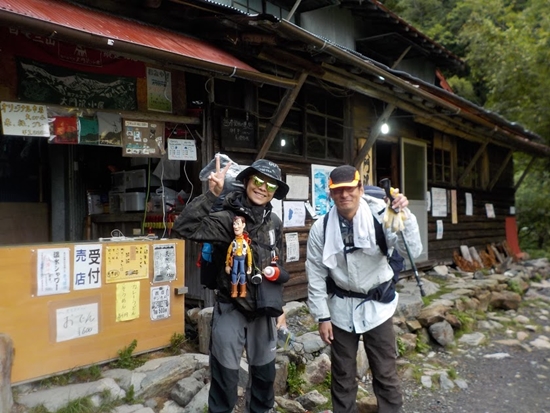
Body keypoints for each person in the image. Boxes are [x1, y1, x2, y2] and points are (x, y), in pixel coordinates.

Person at [173, 156, 290, 413]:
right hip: (231, 307)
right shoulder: (228, 218)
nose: (262, 188)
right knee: (225, 379)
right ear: (247, 181)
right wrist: (211, 197)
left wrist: (280, 307)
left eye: (270, 185)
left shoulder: (274, 223)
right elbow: (184, 227)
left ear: (274, 192)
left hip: (264, 312)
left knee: (263, 377)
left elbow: (279, 263)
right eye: (258, 181)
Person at [306, 165, 422, 413]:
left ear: (360, 188)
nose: (344, 195)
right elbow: (315, 273)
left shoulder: (382, 215)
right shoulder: (322, 227)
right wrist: (322, 316)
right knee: (342, 375)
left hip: (377, 306)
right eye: (338, 191)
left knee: (385, 372)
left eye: (350, 188)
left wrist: (405, 216)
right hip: (339, 308)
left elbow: (411, 250)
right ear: (330, 193)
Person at [225, 216, 252, 298]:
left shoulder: (245, 242)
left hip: (242, 259)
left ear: (243, 225)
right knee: (234, 272)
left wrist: (250, 265)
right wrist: (227, 265)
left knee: (242, 273)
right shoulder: (233, 242)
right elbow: (228, 252)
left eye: (238, 224)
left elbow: (249, 253)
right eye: (234, 224)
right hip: (235, 259)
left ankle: (243, 291)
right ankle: (234, 291)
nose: (235, 226)